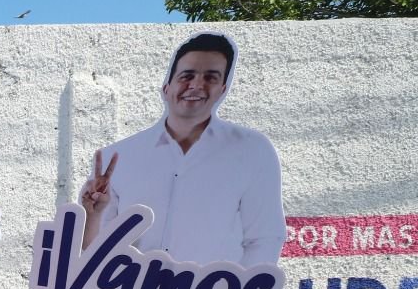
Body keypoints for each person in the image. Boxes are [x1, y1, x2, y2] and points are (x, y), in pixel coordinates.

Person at [81, 33, 285, 267]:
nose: (196, 85)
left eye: (210, 77)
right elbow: (95, 252)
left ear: (222, 89)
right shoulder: (118, 158)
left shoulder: (252, 151)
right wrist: (93, 215)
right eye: (187, 76)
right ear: (166, 88)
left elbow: (264, 238)